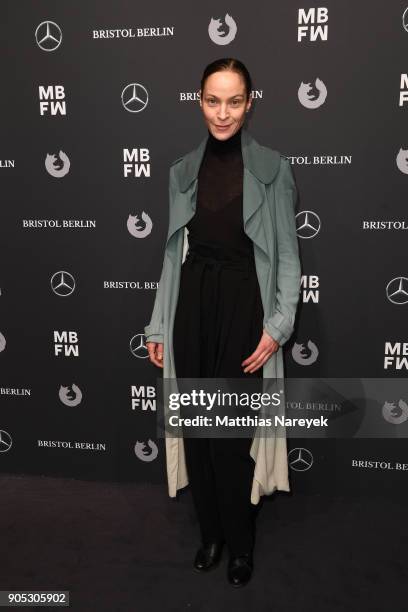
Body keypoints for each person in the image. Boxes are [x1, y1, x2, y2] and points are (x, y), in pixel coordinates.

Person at [145, 58, 302, 587]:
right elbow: (171, 257)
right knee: (196, 428)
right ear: (199, 100)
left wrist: (277, 325)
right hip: (192, 302)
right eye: (213, 100)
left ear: (250, 103)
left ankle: (240, 544)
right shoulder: (181, 171)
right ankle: (210, 534)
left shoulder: (273, 168)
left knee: (230, 433)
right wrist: (159, 326)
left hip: (244, 303)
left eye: (234, 101)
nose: (223, 112)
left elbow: (287, 256)